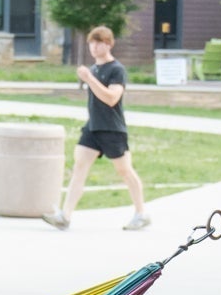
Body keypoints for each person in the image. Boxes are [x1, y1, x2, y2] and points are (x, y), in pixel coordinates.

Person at [48, 24, 151, 232]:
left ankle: (141, 213)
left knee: (124, 171)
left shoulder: (116, 70)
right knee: (79, 167)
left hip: (112, 129)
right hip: (93, 127)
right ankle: (65, 216)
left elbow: (112, 98)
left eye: (99, 43)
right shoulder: (94, 69)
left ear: (109, 44)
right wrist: (90, 77)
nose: (94, 47)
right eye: (92, 43)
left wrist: (89, 79)